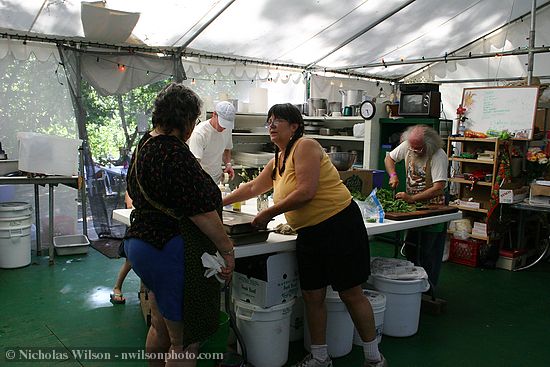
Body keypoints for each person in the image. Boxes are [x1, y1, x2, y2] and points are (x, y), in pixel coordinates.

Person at [223, 103, 386, 367]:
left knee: (351, 293)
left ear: (295, 126)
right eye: (269, 121)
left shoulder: (305, 146)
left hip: (339, 225)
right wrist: (218, 202)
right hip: (309, 232)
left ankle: (374, 358)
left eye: (278, 120)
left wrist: (268, 213)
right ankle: (320, 357)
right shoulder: (277, 159)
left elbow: (306, 191)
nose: (271, 125)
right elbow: (253, 187)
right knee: (312, 295)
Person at [124, 82, 235, 366]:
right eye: (194, 120)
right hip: (169, 249)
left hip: (142, 245)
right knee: (184, 340)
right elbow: (199, 211)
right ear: (185, 120)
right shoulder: (174, 153)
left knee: (160, 325)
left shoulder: (145, 144)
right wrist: (227, 249)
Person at [384, 124, 448, 286]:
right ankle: (412, 285)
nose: (415, 151)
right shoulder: (409, 146)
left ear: (429, 144)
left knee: (428, 252)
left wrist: (412, 199)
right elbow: (389, 158)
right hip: (412, 208)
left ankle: (427, 289)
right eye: (412, 148)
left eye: (419, 148)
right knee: (412, 249)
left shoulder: (438, 155)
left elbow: (438, 188)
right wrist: (393, 175)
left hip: (433, 209)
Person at [188, 101, 236, 184]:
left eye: (226, 125)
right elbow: (195, 165)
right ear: (214, 114)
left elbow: (227, 149)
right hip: (201, 180)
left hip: (218, 179)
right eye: (221, 123)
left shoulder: (227, 129)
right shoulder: (200, 133)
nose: (223, 128)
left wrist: (228, 164)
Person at [110, 191, 134, 305]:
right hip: (138, 226)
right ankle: (117, 287)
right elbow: (129, 206)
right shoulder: (132, 187)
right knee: (130, 261)